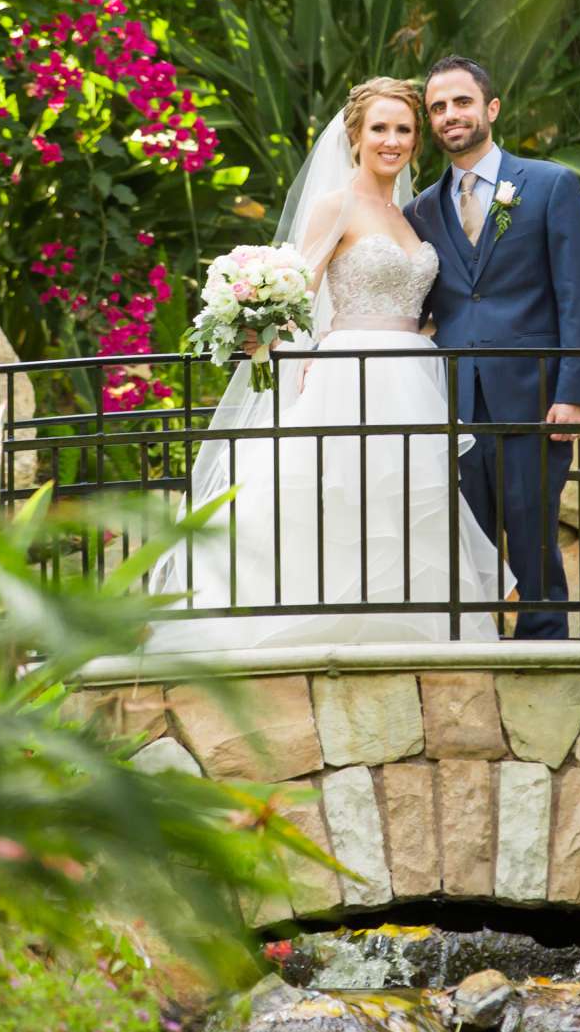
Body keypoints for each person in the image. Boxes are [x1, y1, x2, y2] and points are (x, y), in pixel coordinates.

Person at [145, 78, 509, 649]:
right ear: (356, 136)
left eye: (404, 130)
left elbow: (421, 305)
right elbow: (294, 299)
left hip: (413, 375)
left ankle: (406, 633)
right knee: (334, 499)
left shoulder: (413, 216)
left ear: (417, 140)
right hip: (351, 374)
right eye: (380, 129)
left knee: (406, 509)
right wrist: (284, 353)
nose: (393, 141)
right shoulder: (334, 206)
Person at [404, 55, 580, 640]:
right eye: (437, 108)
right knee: (468, 530)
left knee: (533, 525)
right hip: (455, 399)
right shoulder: (420, 211)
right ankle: (474, 643)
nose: (449, 116)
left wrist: (575, 393)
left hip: (533, 394)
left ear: (490, 108)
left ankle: (545, 644)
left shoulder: (548, 184)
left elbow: (576, 295)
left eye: (461, 102)